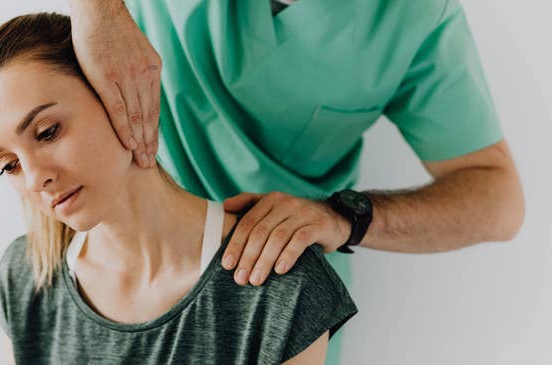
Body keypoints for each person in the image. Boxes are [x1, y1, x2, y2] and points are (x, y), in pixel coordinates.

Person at [67, 0, 526, 363]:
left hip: (268, 283)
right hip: (114, 254)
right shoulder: (51, 272)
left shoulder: (417, 18)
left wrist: (343, 216)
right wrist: (97, 11)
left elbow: (498, 200)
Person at [0, 12, 357, 364]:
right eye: (8, 165)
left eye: (47, 132)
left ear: (121, 95)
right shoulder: (26, 278)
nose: (34, 178)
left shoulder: (279, 284)